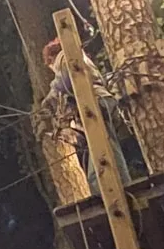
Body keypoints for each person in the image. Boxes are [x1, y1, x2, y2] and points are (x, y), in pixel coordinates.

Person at [42, 37, 131, 193]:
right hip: (101, 101)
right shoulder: (78, 56)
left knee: (103, 148)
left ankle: (105, 187)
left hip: (95, 102)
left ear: (50, 59)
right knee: (107, 145)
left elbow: (66, 80)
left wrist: (51, 96)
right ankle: (121, 184)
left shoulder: (65, 56)